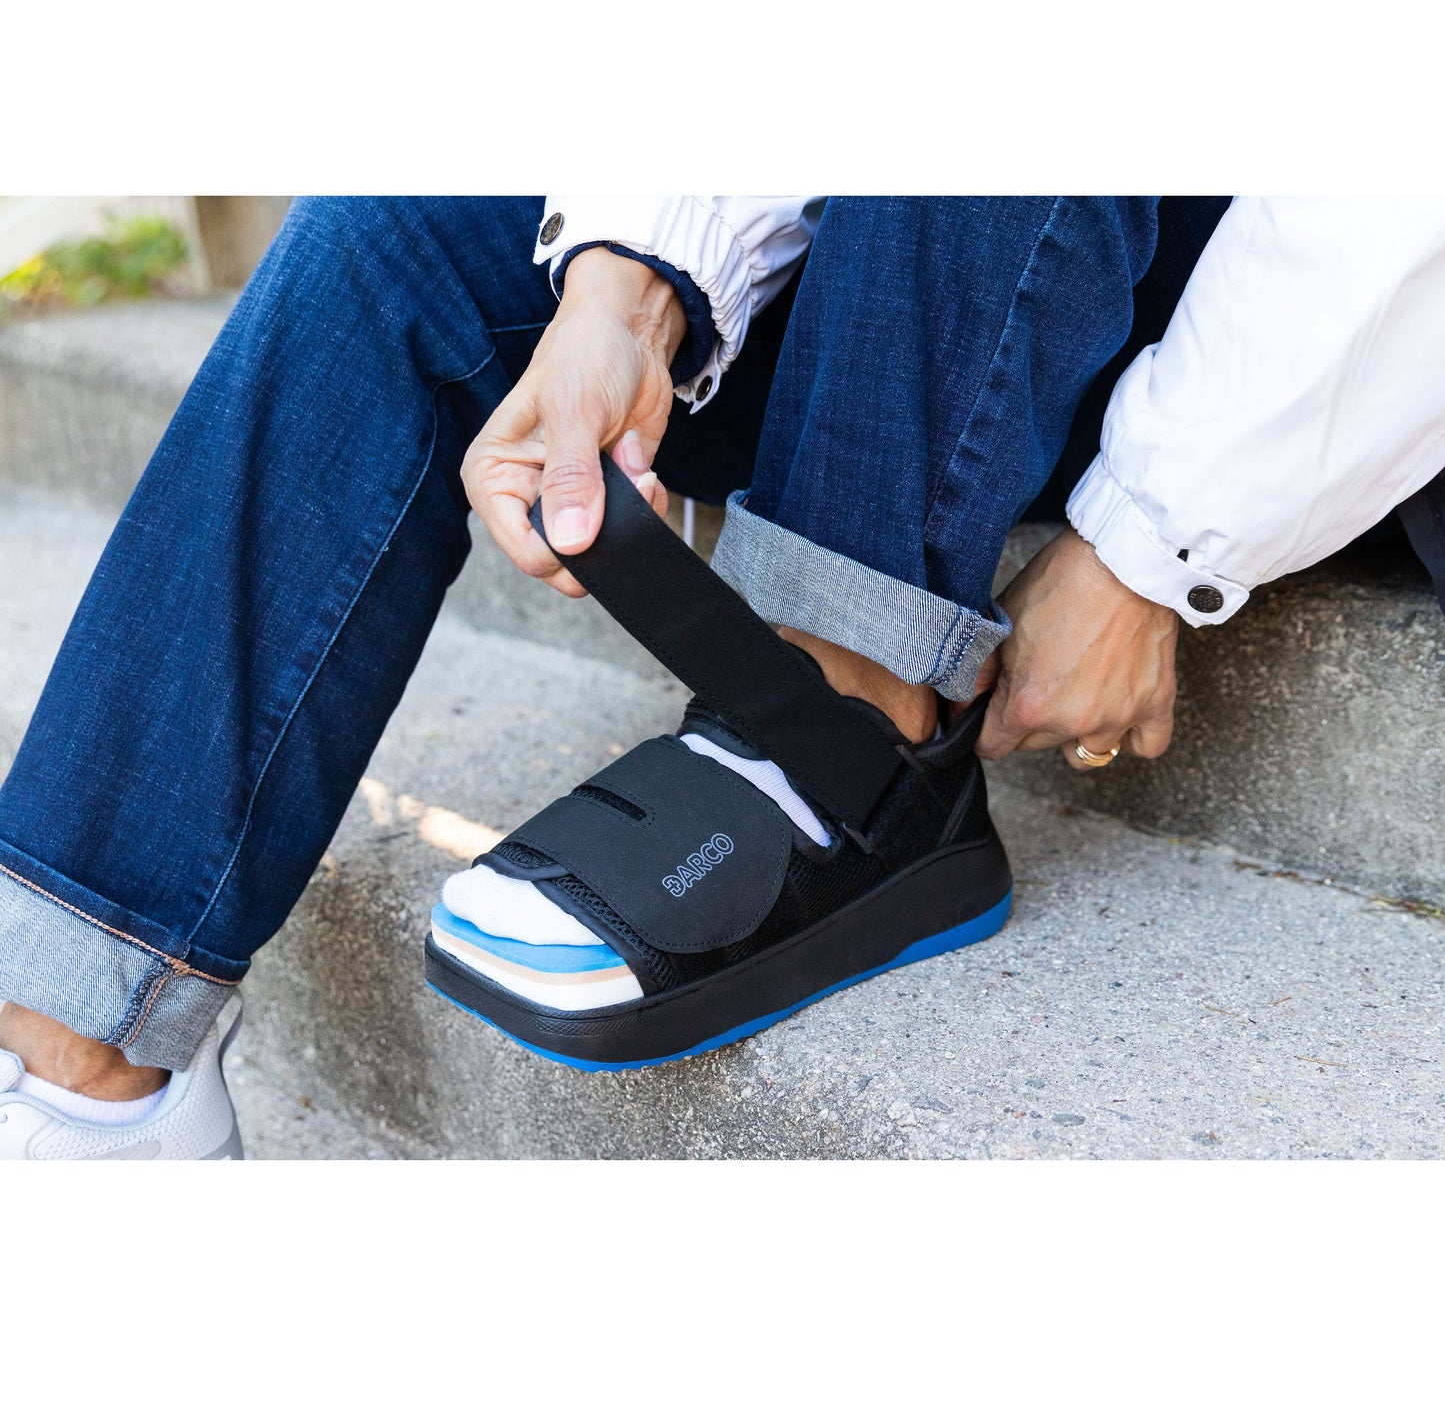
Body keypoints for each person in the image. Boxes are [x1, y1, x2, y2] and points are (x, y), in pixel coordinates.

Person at [1, 197, 1442, 1154]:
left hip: (1318, 329)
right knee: (395, 237)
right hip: (946, 255)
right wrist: (627, 286)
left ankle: (848, 734)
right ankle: (83, 1070)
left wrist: (1152, 536)